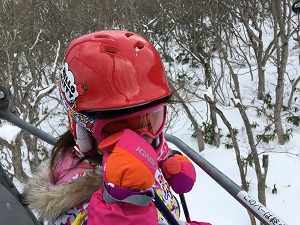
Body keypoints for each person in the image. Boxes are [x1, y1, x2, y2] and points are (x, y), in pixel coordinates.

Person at [25, 30, 211, 225]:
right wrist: (124, 208)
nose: (143, 139)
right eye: (120, 128)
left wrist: (167, 160)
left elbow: (154, 145)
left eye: (152, 120)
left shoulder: (147, 143)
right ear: (83, 129)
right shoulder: (80, 206)